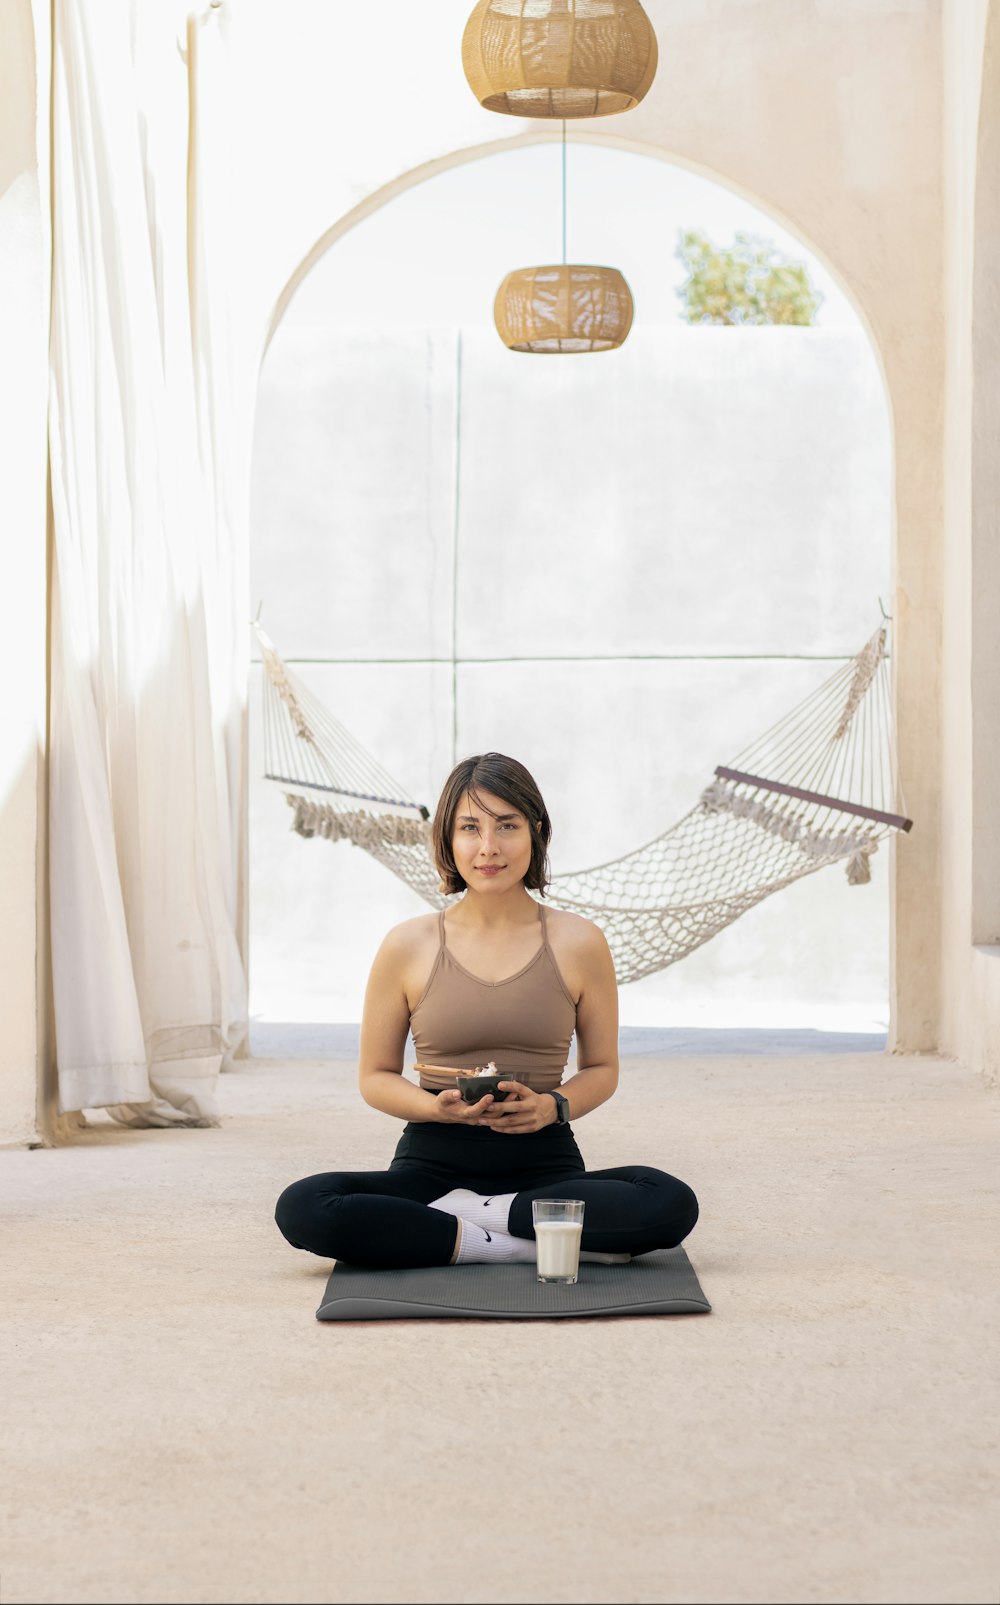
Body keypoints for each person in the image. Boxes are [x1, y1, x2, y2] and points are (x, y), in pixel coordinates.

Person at [274, 752, 699, 1270]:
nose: (489, 848)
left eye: (507, 826)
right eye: (470, 828)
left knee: (669, 1200)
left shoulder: (580, 941)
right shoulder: (407, 944)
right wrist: (435, 1108)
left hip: (545, 1164)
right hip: (430, 1167)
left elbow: (602, 1070)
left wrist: (552, 1107)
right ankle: (524, 1242)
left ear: (536, 832)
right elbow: (375, 1076)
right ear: (448, 841)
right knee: (304, 1207)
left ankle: (467, 1224)